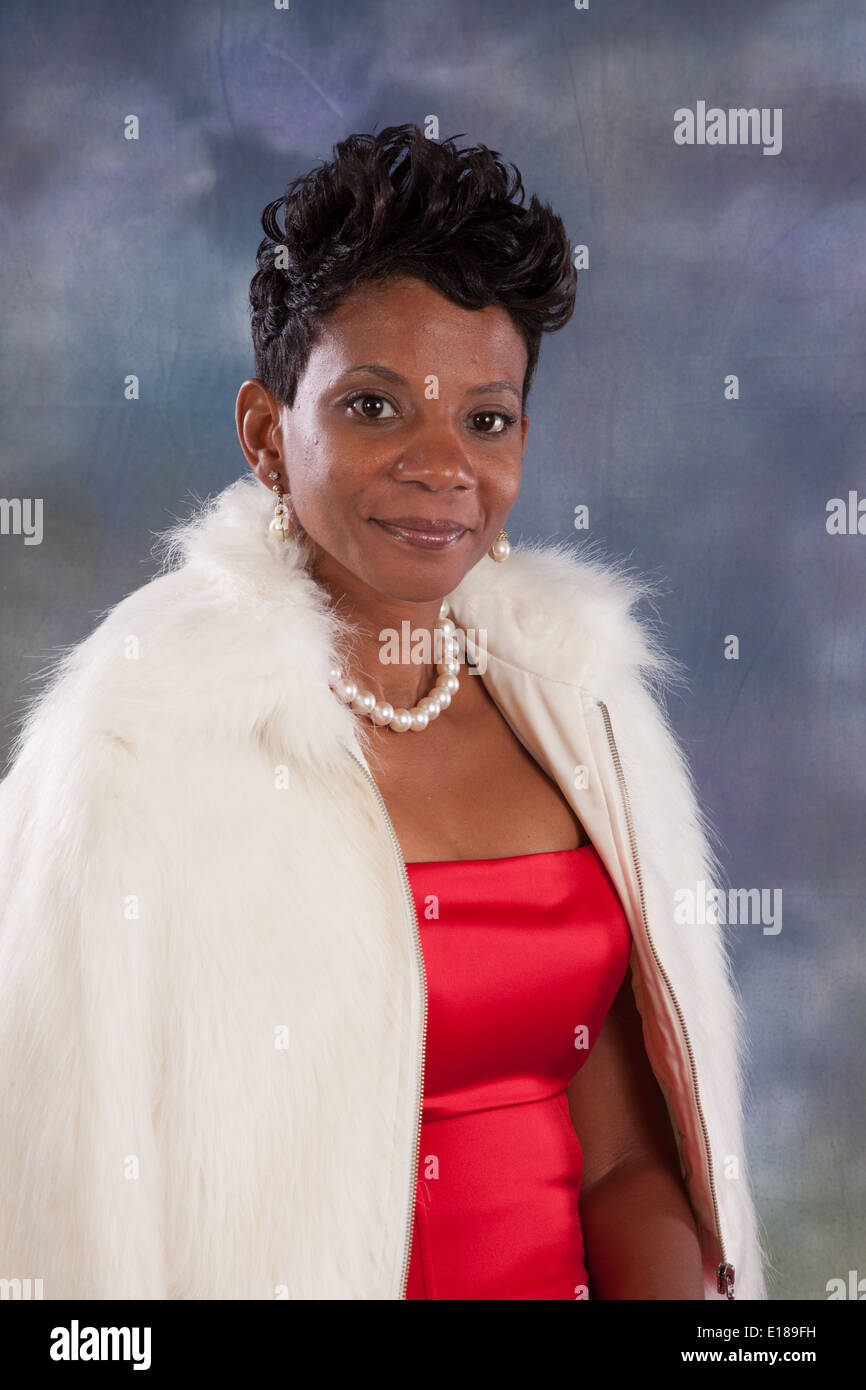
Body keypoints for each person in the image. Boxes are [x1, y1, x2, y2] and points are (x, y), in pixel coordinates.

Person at [0, 123, 767, 1300]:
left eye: (485, 417)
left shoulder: (579, 713)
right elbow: (54, 1209)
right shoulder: (134, 741)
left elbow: (619, 1163)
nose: (439, 463)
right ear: (267, 432)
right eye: (372, 409)